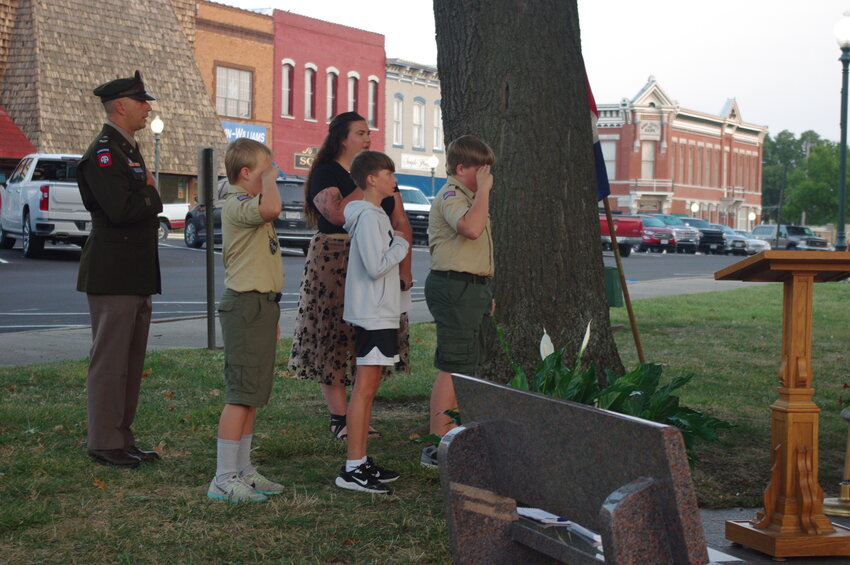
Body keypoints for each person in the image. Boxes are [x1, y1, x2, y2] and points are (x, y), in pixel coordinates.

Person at [288, 112, 413, 440]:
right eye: (360, 133)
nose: (367, 138)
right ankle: (339, 417)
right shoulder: (326, 172)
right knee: (334, 331)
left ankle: (360, 413)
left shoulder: (377, 174)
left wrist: (405, 267)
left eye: (369, 133)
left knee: (366, 332)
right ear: (342, 138)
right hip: (335, 259)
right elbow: (337, 214)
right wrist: (364, 184)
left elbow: (399, 218)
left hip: (381, 255)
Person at [77, 70, 163, 468]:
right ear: (121, 106)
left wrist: (145, 190)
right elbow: (122, 209)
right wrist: (151, 194)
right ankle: (104, 440)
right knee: (111, 360)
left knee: (130, 362)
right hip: (113, 271)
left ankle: (121, 437)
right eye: (142, 101)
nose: (148, 108)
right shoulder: (105, 151)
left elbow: (134, 201)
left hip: (132, 270)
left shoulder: (127, 148)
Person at [207, 138, 285, 503]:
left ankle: (243, 469)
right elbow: (271, 208)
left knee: (253, 394)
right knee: (240, 394)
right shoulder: (236, 203)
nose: (271, 174)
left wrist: (272, 314)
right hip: (243, 305)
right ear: (245, 173)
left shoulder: (250, 204)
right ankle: (223, 477)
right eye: (265, 169)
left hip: (262, 306)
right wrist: (271, 179)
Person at [335, 151, 409, 494]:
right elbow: (375, 265)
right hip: (373, 313)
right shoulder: (368, 217)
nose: (394, 179)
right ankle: (352, 467)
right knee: (364, 390)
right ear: (371, 179)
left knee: (370, 388)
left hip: (379, 311)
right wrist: (401, 245)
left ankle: (360, 460)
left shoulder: (374, 214)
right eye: (388, 173)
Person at [420, 135, 496, 469]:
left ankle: (454, 436)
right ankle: (437, 445)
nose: (486, 177)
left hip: (472, 286)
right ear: (461, 167)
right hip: (454, 286)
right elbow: (471, 229)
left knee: (467, 364)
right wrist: (484, 191)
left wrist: (485, 291)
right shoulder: (452, 194)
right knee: (452, 366)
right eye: (480, 170)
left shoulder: (470, 195)